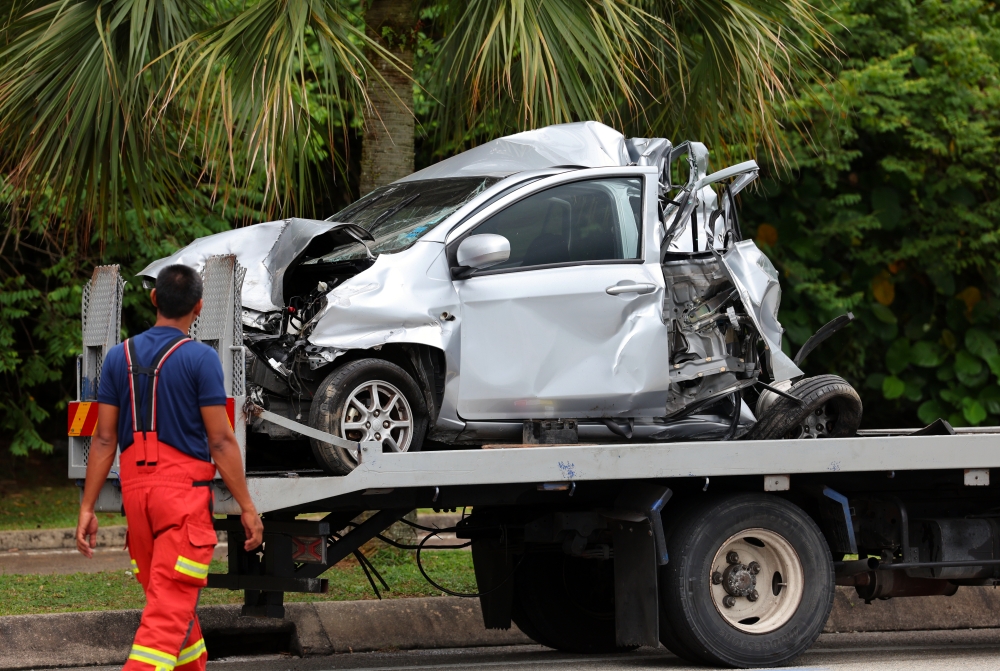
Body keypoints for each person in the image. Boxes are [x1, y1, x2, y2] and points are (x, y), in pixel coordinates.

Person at [75, 264, 264, 671]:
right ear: (198, 309)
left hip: (138, 500)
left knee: (172, 608)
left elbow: (104, 440)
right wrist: (247, 506)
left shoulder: (117, 357)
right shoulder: (201, 359)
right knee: (164, 622)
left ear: (154, 299)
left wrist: (87, 508)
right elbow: (221, 440)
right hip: (182, 501)